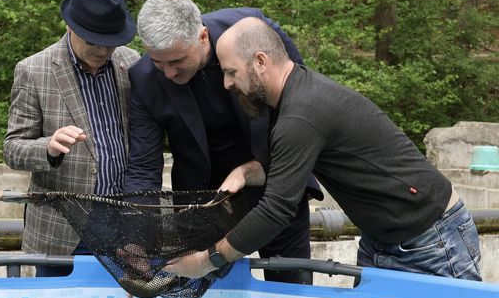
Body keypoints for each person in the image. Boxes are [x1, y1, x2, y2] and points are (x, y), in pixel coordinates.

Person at [164, 17, 482, 281]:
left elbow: (276, 211)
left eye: (232, 72)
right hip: (382, 238)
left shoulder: (300, 114)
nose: (227, 84)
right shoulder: (298, 93)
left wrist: (207, 261)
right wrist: (248, 171)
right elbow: (290, 160)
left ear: (260, 62)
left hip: (431, 238)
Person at [123, 0, 323, 284]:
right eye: (158, 63)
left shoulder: (253, 31)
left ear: (202, 36)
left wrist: (268, 169)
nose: (168, 73)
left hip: (275, 184)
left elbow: (300, 104)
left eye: (177, 61)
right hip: (201, 202)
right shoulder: (143, 77)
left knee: (290, 287)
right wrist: (135, 237)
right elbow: (143, 166)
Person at [4, 0, 140, 276]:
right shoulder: (33, 70)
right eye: (93, 41)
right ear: (70, 27)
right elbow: (13, 149)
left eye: (111, 41)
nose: (103, 50)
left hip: (122, 228)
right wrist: (48, 148)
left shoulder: (131, 64)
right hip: (61, 233)